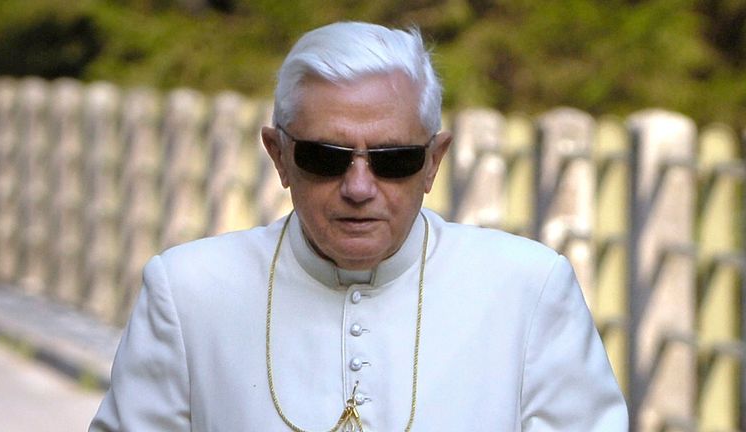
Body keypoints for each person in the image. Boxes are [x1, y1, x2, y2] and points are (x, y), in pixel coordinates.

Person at [90, 21, 627, 431]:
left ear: (434, 162)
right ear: (278, 156)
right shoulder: (187, 291)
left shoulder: (528, 288)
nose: (359, 187)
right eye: (326, 157)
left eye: (394, 160)